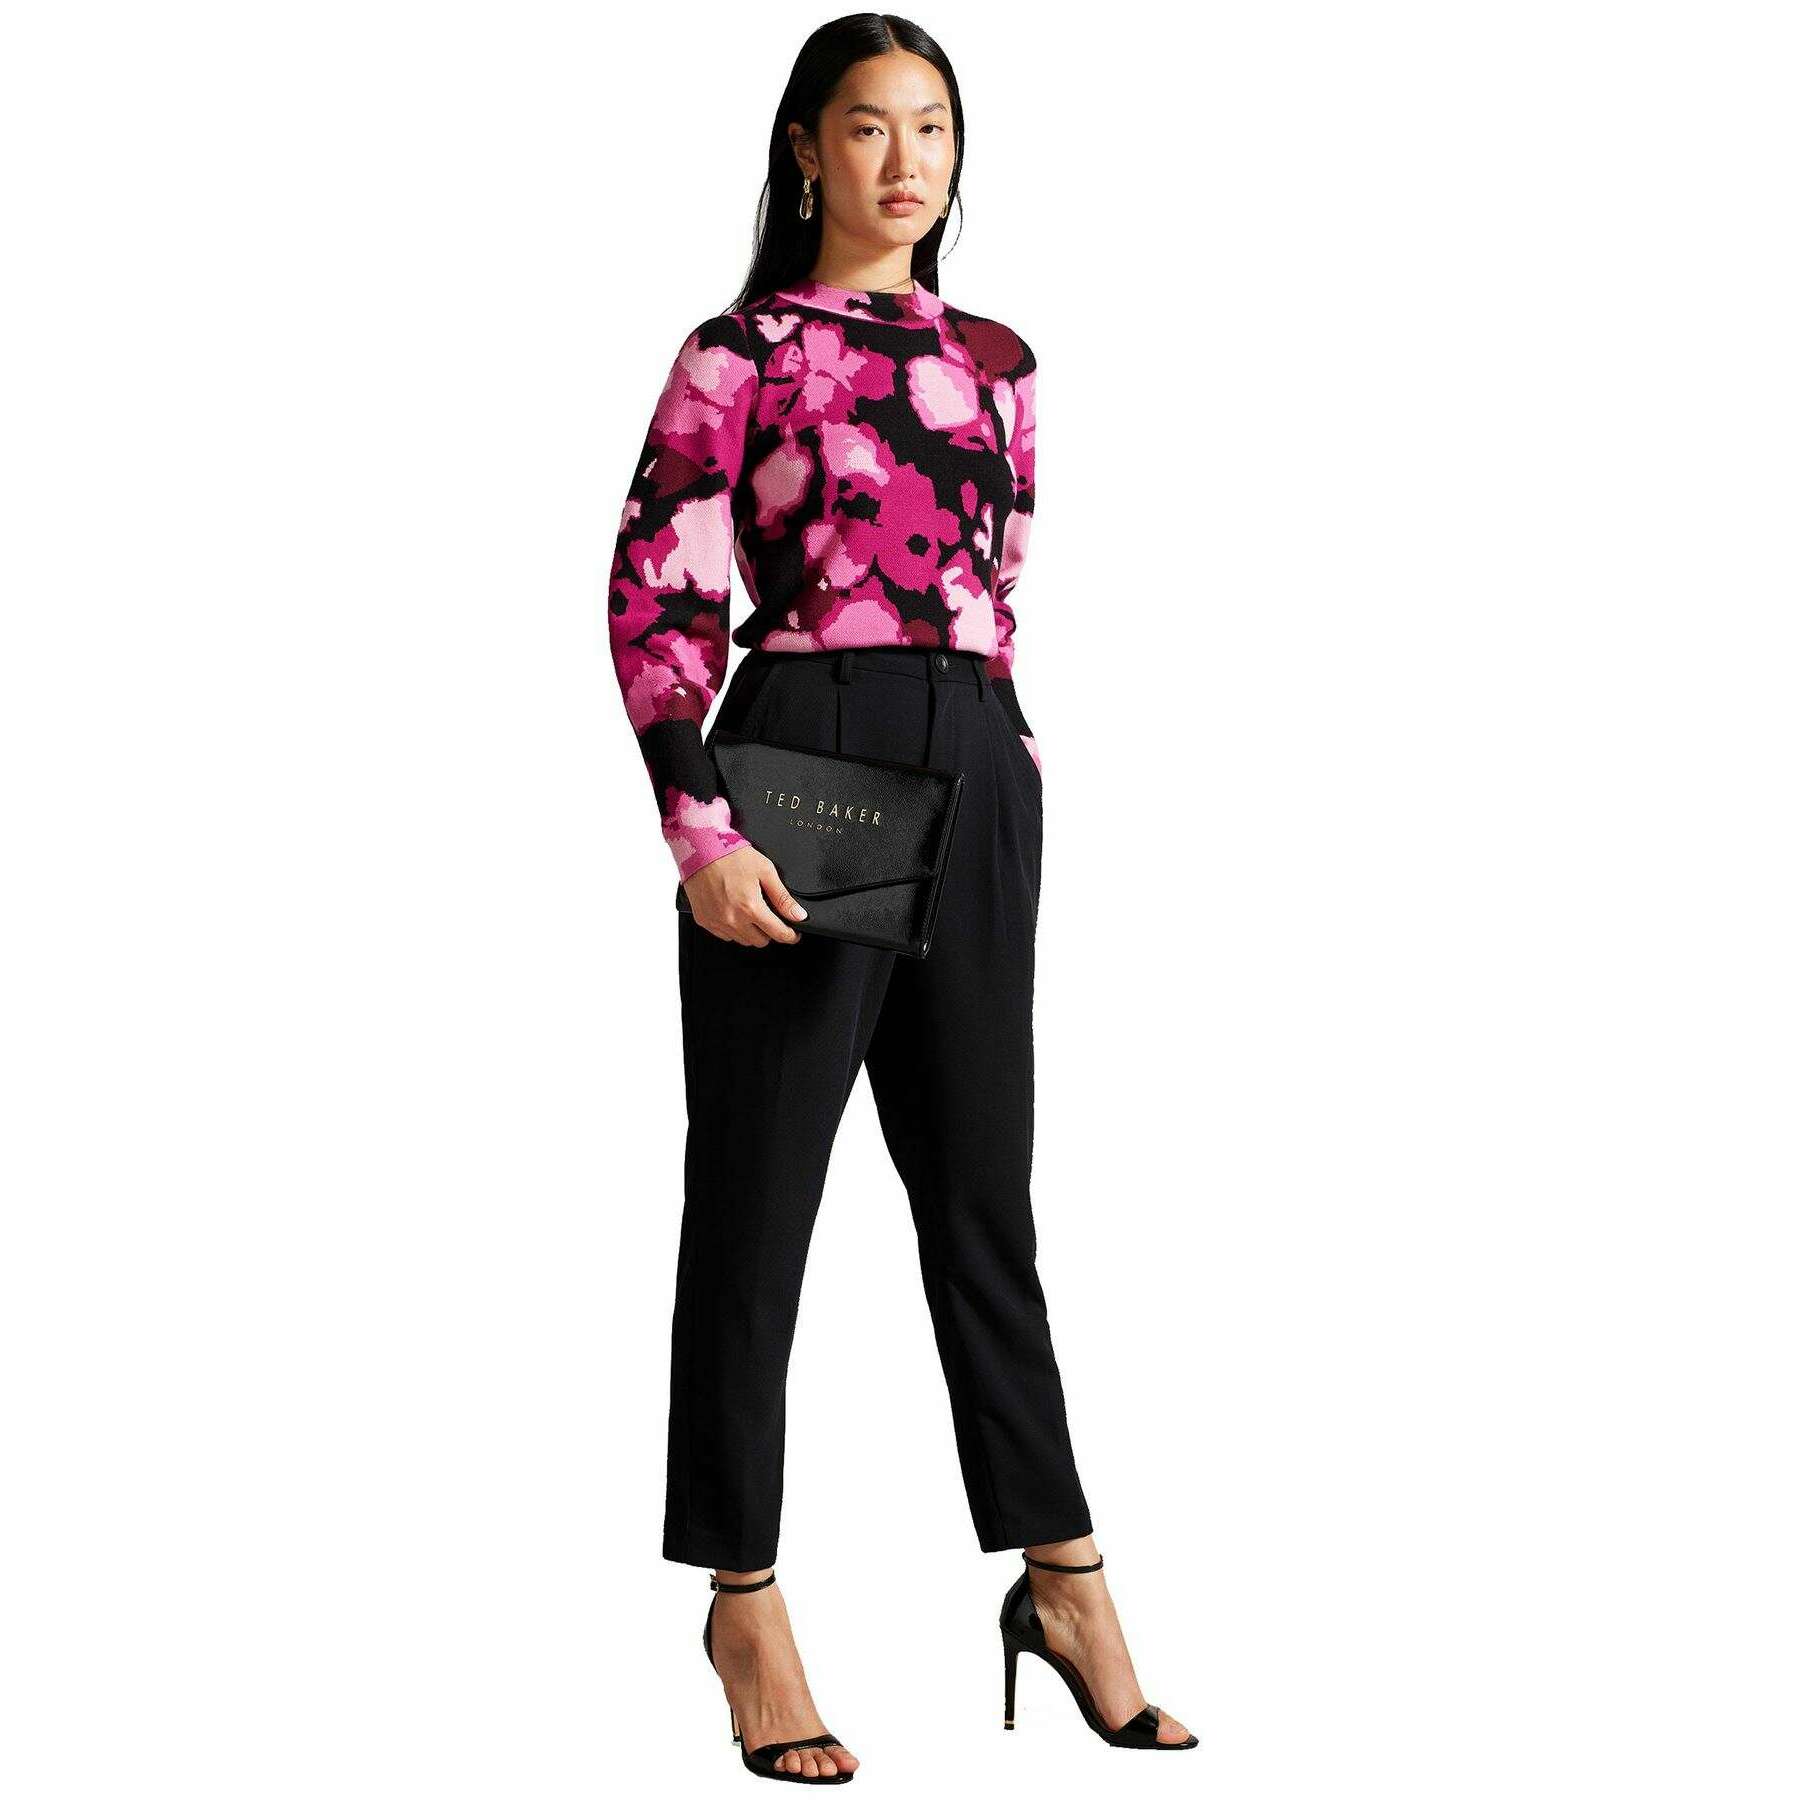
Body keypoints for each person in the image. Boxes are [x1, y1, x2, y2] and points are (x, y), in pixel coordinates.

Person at [606, 15, 1197, 1780]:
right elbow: (654, 597)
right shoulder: (738, 353)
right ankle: (743, 1598)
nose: (904, 159)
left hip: (980, 759)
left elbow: (996, 583)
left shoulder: (1000, 360)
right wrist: (703, 831)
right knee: (759, 1203)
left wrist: (1006, 766)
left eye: (931, 126)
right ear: (805, 150)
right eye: (866, 127)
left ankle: (1064, 1578)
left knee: (983, 1200)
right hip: (810, 760)